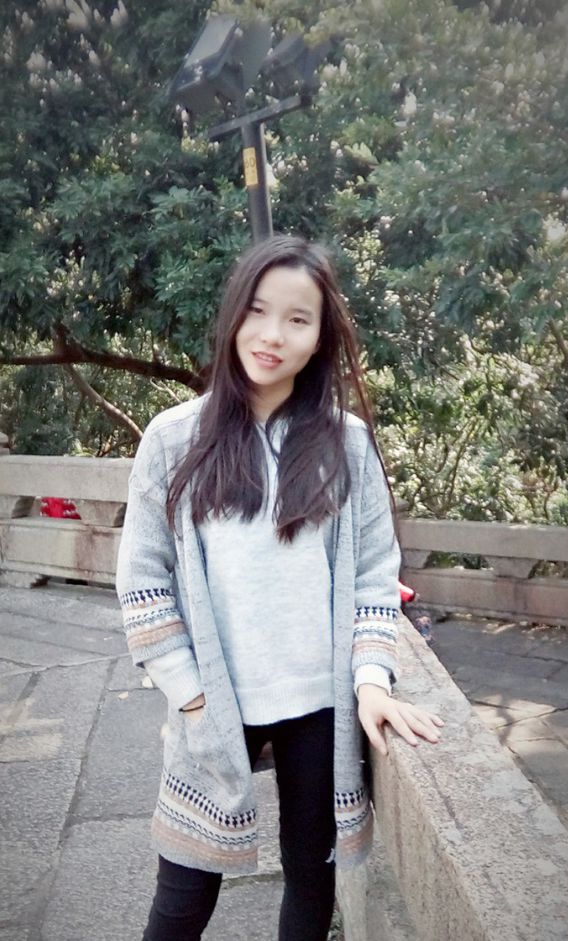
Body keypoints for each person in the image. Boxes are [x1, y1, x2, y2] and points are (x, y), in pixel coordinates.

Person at [115, 234, 444, 941]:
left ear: (320, 336)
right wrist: (190, 692)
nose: (272, 335)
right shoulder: (175, 439)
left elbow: (373, 579)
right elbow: (142, 581)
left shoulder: (346, 444)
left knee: (310, 882)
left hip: (319, 708)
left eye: (298, 319)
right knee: (183, 893)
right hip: (214, 702)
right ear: (235, 313)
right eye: (259, 311)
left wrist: (371, 682)